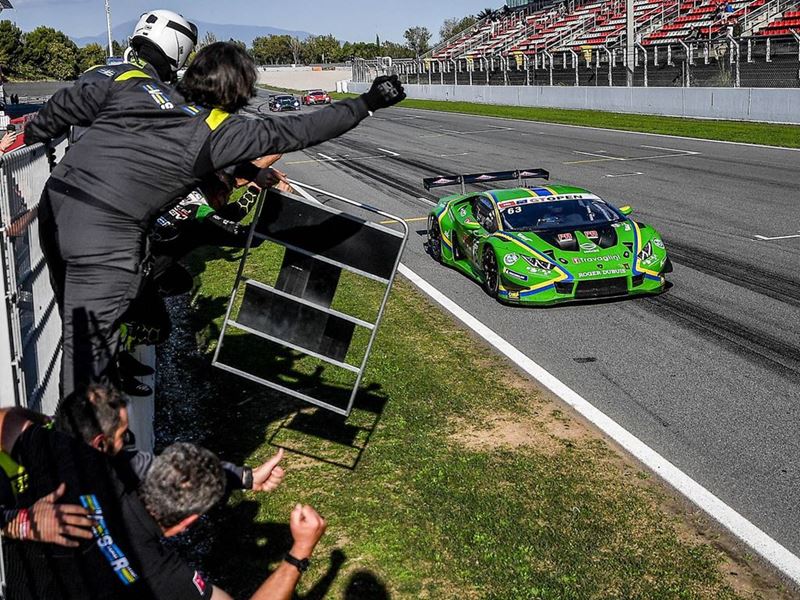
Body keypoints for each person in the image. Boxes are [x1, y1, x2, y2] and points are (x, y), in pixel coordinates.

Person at [27, 31, 405, 398]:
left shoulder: (137, 85)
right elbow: (303, 129)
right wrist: (367, 102)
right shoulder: (220, 131)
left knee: (79, 341)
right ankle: (82, 451)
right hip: (103, 236)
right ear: (239, 93)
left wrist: (32, 132)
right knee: (86, 371)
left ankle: (84, 436)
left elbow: (71, 101)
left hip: (54, 202)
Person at [0, 402, 326, 600]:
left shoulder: (79, 464)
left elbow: (5, 420)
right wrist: (299, 552)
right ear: (188, 521)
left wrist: (15, 519)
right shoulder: (165, 579)